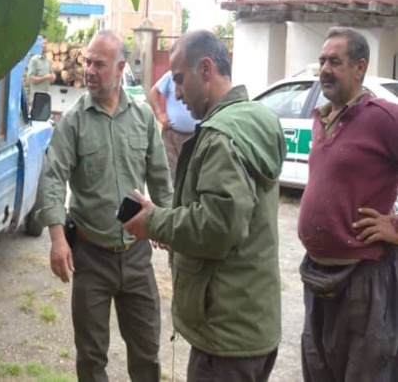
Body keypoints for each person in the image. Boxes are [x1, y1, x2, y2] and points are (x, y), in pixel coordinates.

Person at [123, 30, 285, 382]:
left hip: (223, 337)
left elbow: (217, 226)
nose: (177, 93)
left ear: (206, 69)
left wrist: (154, 222)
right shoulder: (258, 117)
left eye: (180, 80)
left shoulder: (220, 137)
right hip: (254, 324)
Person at [36, 30, 173, 382]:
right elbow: (52, 178)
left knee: (146, 354)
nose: (90, 70)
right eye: (87, 62)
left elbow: (160, 178)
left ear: (120, 67)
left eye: (99, 63)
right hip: (91, 257)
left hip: (137, 255)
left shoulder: (142, 118)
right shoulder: (73, 122)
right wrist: (56, 238)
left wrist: (166, 223)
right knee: (92, 359)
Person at [296, 27, 398, 380]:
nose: (324, 69)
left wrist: (396, 228)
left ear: (359, 67)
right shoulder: (323, 118)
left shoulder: (383, 117)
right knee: (319, 370)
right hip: (317, 276)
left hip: (364, 280)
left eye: (335, 62)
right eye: (322, 61)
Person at [148, 62, 199, 183]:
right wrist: (159, 115)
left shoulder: (197, 77)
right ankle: (172, 201)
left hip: (195, 136)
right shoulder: (170, 76)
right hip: (172, 135)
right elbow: (153, 92)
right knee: (171, 173)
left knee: (192, 174)